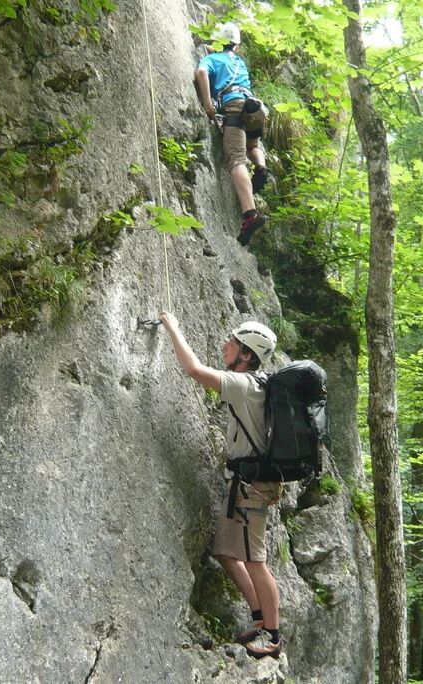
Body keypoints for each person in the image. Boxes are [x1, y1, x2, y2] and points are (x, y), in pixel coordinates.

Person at [158, 311, 285, 658]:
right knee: (227, 554)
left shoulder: (245, 385)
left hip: (252, 487)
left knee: (256, 561)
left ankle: (273, 637)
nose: (225, 345)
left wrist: (174, 328)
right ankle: (260, 616)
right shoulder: (256, 384)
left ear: (246, 354)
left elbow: (195, 371)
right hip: (245, 484)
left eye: (233, 343)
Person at [194, 22, 272, 248]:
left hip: (234, 106)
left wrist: (208, 106)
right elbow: (223, 51)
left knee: (236, 158)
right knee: (252, 142)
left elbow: (201, 72)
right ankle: (260, 166)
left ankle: (250, 214)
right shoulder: (238, 61)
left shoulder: (212, 59)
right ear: (236, 46)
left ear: (217, 42)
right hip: (255, 109)